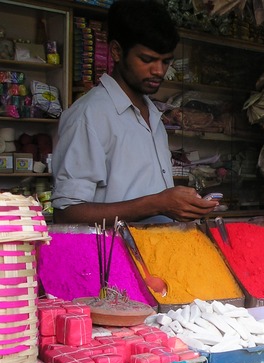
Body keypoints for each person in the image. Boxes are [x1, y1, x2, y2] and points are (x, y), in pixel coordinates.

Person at [51, 0, 218, 224]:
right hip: (114, 257)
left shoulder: (154, 115)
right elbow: (67, 213)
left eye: (166, 61)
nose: (158, 71)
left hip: (156, 253)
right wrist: (158, 204)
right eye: (147, 60)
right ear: (117, 51)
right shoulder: (89, 116)